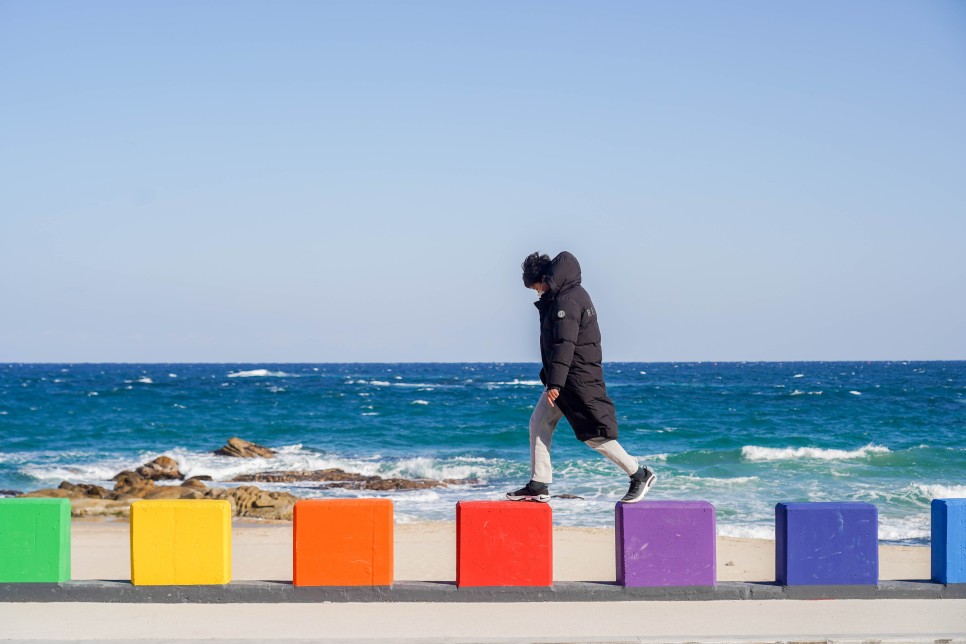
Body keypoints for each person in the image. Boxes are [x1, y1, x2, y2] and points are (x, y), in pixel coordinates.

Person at [507, 251, 656, 504]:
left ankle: (640, 474)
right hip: (563, 376)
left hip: (575, 378)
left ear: (545, 278)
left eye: (536, 287)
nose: (537, 292)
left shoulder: (568, 300)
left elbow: (565, 344)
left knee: (594, 435)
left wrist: (555, 384)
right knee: (539, 422)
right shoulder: (562, 296)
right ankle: (538, 484)